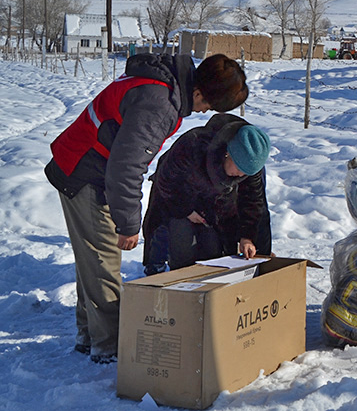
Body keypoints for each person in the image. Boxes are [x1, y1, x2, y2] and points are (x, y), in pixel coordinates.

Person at [44, 53, 248, 364]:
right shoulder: (159, 103)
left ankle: (89, 337)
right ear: (198, 93)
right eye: (207, 105)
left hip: (88, 166)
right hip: (85, 172)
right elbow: (126, 168)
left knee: (93, 260)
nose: (203, 112)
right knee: (103, 263)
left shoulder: (165, 86)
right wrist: (129, 224)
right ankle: (108, 349)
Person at [142, 114, 271, 274]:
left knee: (212, 250)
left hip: (215, 203)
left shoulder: (250, 165)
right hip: (177, 194)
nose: (241, 176)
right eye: (238, 169)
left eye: (246, 174)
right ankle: (157, 271)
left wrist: (247, 236)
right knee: (179, 240)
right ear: (228, 154)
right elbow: (167, 183)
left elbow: (253, 201)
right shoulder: (193, 145)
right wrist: (186, 210)